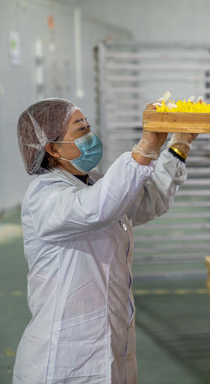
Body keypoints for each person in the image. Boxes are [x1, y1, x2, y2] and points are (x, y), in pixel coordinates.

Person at [13, 98, 197, 383]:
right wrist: (145, 149)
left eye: (89, 125)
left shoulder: (92, 183)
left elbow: (149, 201)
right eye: (80, 129)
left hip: (107, 341)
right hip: (65, 356)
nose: (90, 135)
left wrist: (178, 146)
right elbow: (98, 207)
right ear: (51, 148)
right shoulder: (44, 197)